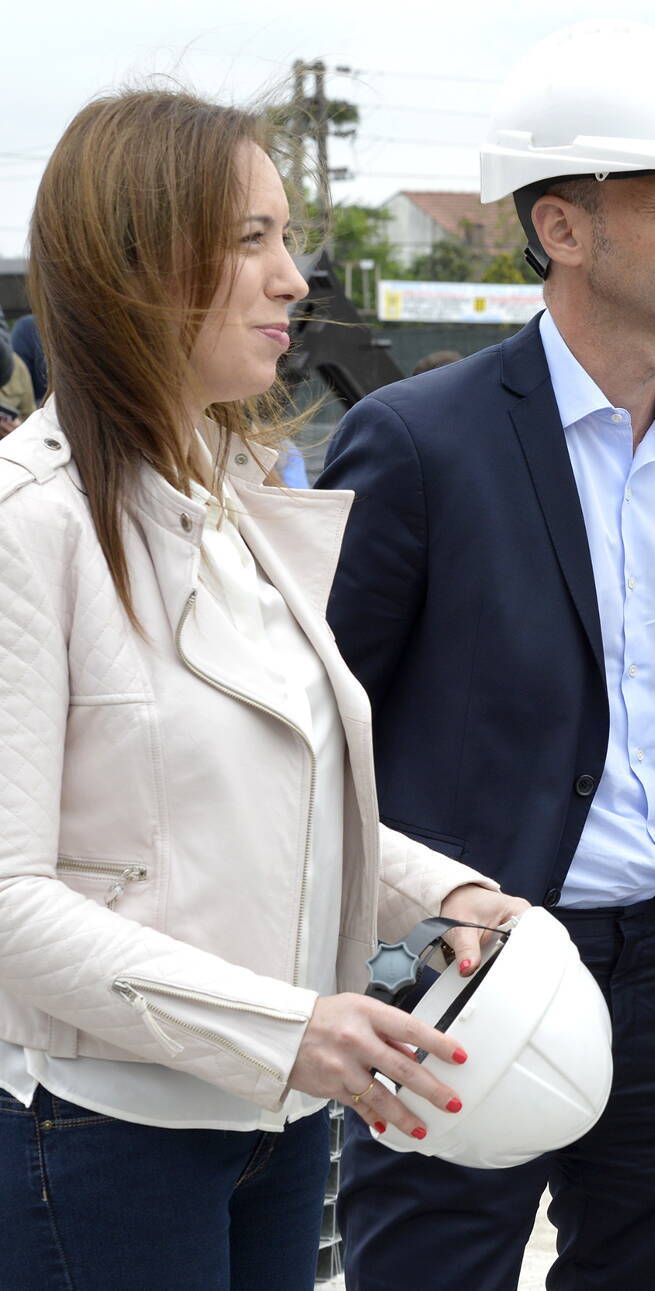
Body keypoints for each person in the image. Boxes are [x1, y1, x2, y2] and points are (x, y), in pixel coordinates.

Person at [317, 22, 655, 1291]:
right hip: (465, 971)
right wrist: (397, 936)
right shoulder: (414, 447)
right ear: (561, 228)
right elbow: (318, 738)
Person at [0, 88, 526, 1291]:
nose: (294, 277)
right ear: (136, 258)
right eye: (250, 239)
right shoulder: (28, 524)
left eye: (286, 237)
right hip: (101, 1134)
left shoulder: (228, 511)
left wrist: (443, 892)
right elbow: (9, 895)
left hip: (274, 1125)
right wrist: (287, 1024)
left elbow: (270, 803)